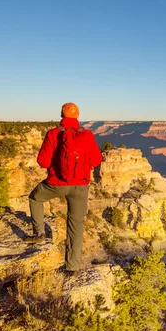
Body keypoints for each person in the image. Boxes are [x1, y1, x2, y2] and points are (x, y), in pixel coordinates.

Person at [26, 102, 102, 273]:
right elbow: (97, 160)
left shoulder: (53, 134)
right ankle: (72, 267)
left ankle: (39, 234)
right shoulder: (88, 135)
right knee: (76, 225)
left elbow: (42, 162)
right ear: (78, 115)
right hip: (80, 187)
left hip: (56, 184)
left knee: (35, 198)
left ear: (61, 115)